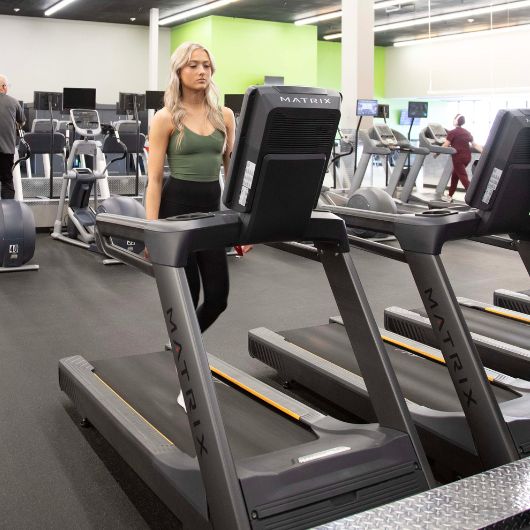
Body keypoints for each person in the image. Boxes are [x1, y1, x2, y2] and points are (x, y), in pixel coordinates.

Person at [145, 42, 235, 333]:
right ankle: (185, 356)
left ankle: (182, 349)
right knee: (189, 294)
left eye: (206, 65)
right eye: (193, 65)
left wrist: (240, 220)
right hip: (176, 211)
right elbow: (155, 179)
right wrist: (152, 230)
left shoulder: (225, 116)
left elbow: (231, 173)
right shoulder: (165, 117)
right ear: (178, 71)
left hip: (211, 211)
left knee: (218, 298)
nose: (201, 71)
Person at [441, 114, 482, 201]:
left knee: (463, 178)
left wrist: (436, 153)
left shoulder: (452, 132)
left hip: (458, 158)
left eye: (454, 119)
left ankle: (475, 198)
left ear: (456, 121)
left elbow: (445, 145)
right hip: (467, 157)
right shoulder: (467, 132)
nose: (453, 120)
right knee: (455, 176)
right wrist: (484, 152)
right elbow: (474, 144)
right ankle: (449, 196)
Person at [0, 74, 25, 199]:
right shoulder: (13, 102)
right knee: (7, 182)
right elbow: (22, 121)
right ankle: (7, 214)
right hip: (6, 151)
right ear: (3, 87)